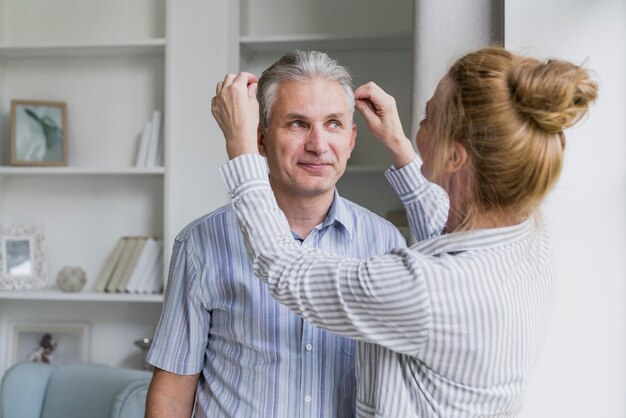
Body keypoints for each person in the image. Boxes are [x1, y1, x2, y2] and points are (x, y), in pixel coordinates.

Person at [212, 46, 598, 417]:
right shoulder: (529, 235)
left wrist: (241, 147)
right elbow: (450, 234)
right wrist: (397, 145)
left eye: (427, 119)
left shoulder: (427, 287)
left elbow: (285, 269)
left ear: (454, 157)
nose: (416, 129)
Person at [145, 50, 406, 418]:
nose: (318, 144)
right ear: (261, 140)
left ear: (351, 139)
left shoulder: (386, 244)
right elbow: (172, 394)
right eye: (298, 123)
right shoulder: (201, 243)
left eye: (333, 123)